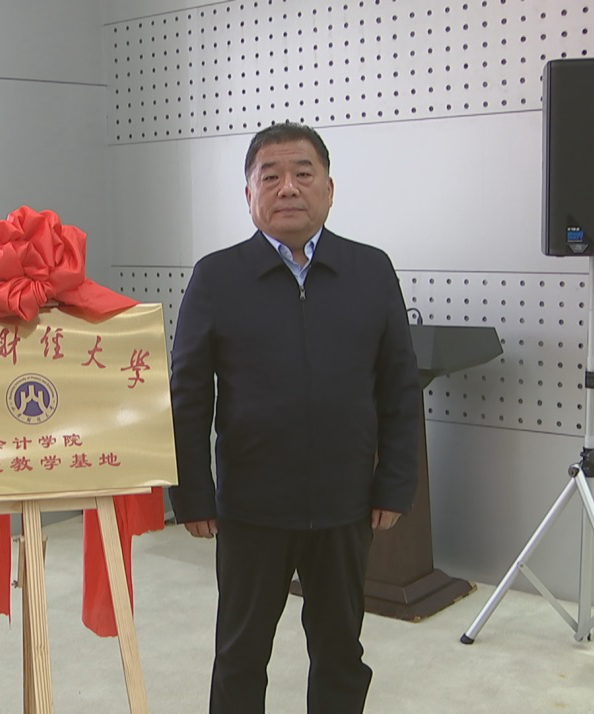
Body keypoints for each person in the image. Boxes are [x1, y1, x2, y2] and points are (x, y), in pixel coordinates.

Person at [169, 122, 419, 713]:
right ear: (249, 194)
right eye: (271, 176)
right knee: (240, 653)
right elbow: (187, 394)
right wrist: (193, 494)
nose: (288, 187)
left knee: (340, 650)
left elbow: (399, 387)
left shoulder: (370, 270)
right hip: (251, 508)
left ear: (329, 189)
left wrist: (394, 483)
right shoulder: (217, 276)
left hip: (344, 505)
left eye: (303, 174)